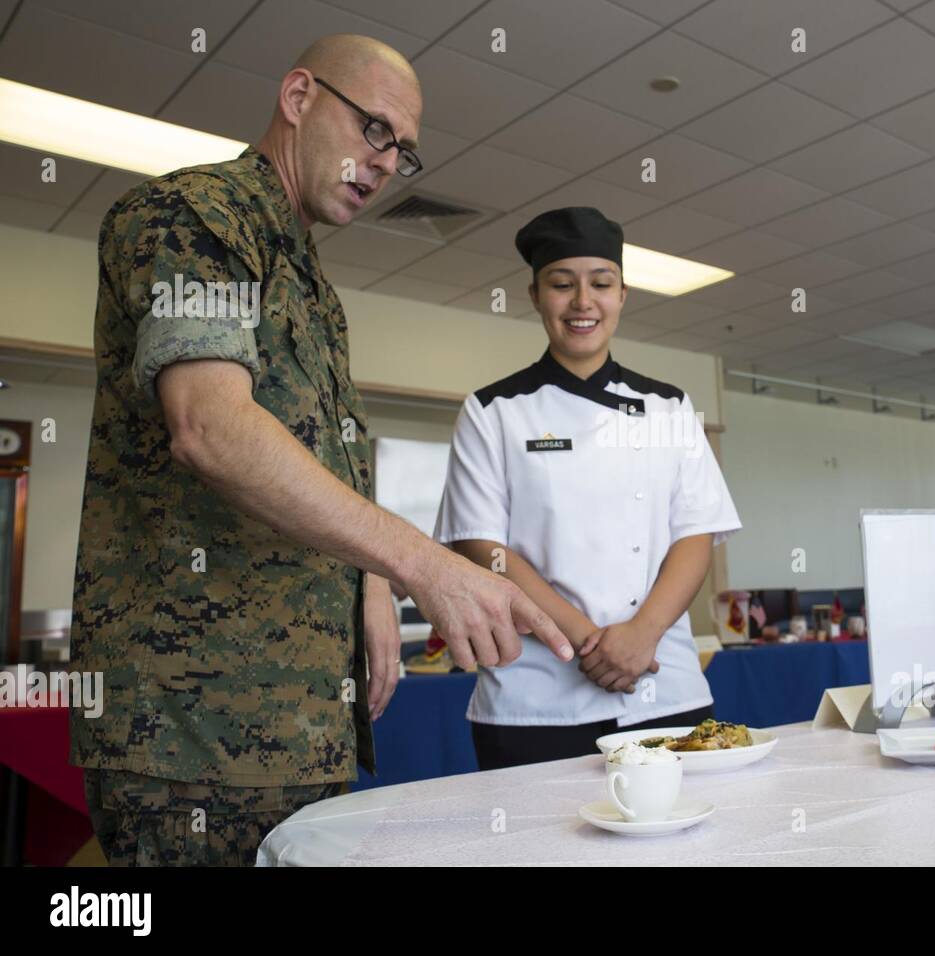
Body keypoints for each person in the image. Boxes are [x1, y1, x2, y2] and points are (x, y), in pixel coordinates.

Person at [69, 34, 567, 866]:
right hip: (192, 723)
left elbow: (324, 457)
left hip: (298, 720)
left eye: (401, 152)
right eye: (374, 128)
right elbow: (212, 428)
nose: (383, 164)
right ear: (298, 97)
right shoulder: (196, 215)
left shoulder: (312, 287)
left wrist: (370, 579)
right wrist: (422, 563)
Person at [434, 206, 742, 770]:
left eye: (601, 284)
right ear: (535, 295)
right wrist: (588, 641)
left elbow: (695, 535)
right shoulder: (493, 411)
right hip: (535, 697)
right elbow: (484, 546)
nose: (582, 302)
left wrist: (642, 635)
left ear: (622, 294)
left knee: (676, 852)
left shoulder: (668, 406)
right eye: (561, 284)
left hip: (660, 685)